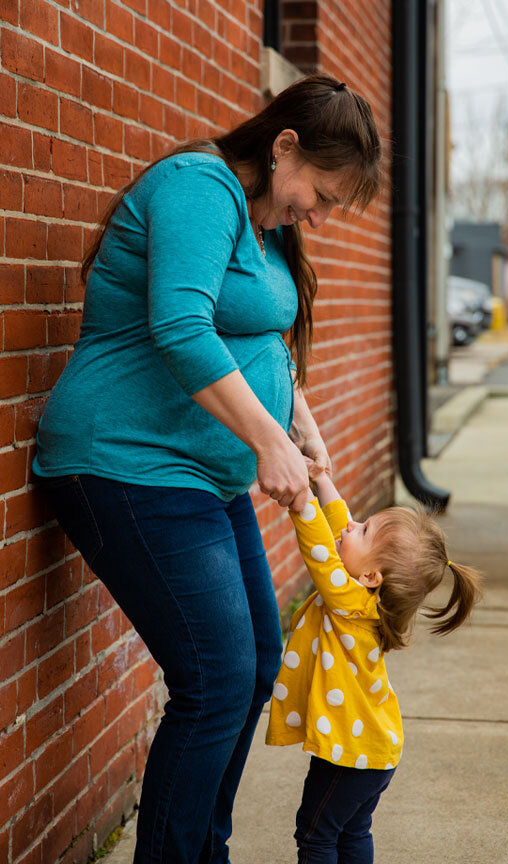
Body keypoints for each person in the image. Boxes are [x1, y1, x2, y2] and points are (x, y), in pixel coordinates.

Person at [32, 74, 383, 863]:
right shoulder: (199, 186)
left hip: (197, 476)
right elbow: (183, 328)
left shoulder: (264, 226)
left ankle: (202, 851)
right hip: (124, 463)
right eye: (321, 194)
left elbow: (265, 343)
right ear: (283, 145)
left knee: (255, 663)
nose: (319, 217)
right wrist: (267, 445)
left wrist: (302, 427)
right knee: (216, 678)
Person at [266, 467, 481, 861]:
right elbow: (342, 528)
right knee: (351, 832)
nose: (352, 526)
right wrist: (322, 479)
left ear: (370, 576)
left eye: (364, 531)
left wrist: (302, 501)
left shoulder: (347, 602)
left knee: (315, 835)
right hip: (373, 751)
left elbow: (320, 553)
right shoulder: (367, 603)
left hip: (350, 754)